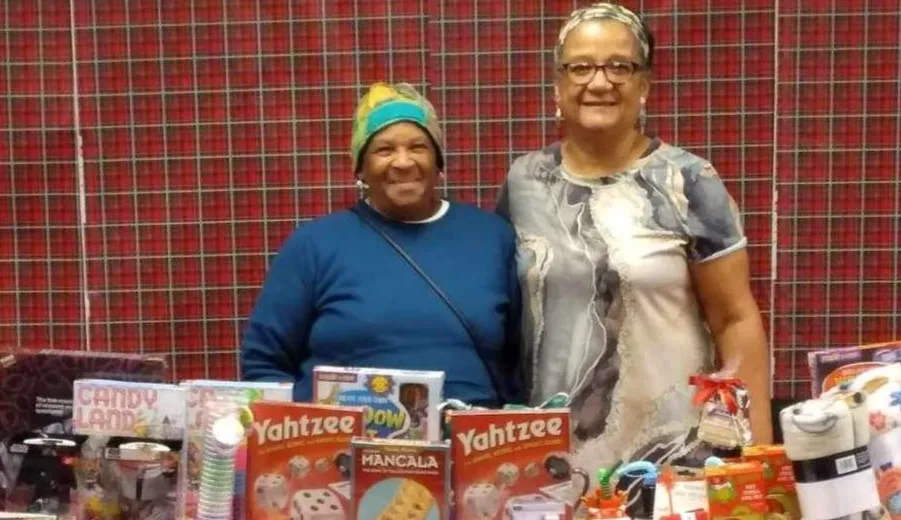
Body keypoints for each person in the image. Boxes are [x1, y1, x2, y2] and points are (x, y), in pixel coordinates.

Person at [496, 2, 772, 473]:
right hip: (552, 464)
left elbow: (735, 320)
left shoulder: (688, 181)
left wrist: (760, 459)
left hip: (676, 456)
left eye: (619, 67)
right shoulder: (524, 183)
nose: (599, 82)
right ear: (557, 86)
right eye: (580, 67)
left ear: (644, 85)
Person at [241, 82, 523, 408]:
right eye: (384, 150)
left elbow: (518, 364)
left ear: (438, 161)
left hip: (471, 441)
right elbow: (263, 365)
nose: (403, 162)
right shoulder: (313, 246)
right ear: (360, 167)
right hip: (344, 449)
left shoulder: (491, 237)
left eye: (418, 147)